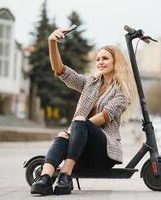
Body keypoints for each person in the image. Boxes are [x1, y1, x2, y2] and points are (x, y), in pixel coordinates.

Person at [31, 28, 136, 195]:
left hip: (103, 153)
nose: (100, 62)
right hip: (80, 149)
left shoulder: (122, 92)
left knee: (76, 124)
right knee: (62, 136)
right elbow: (61, 71)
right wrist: (52, 43)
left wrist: (76, 128)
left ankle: (65, 174)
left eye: (105, 58)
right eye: (98, 59)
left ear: (116, 62)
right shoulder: (90, 83)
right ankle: (45, 179)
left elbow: (103, 117)